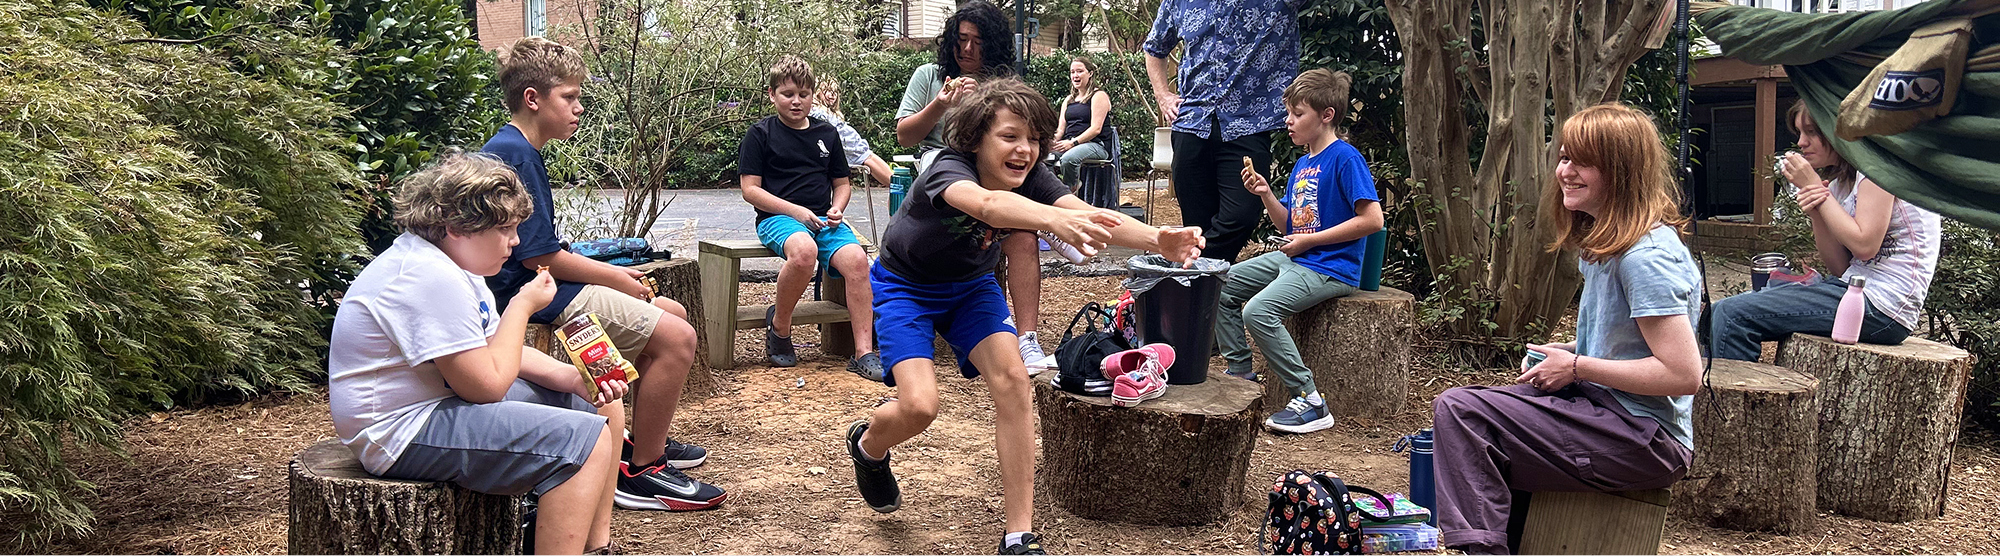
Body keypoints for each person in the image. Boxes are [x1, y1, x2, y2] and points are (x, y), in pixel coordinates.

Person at [848, 78, 1205, 555]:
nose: (1025, 149)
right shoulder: (948, 168)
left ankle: (1018, 535)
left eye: (1034, 138)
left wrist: (1158, 238)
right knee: (920, 407)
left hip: (972, 288)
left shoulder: (1032, 177)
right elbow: (988, 205)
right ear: (976, 140)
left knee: (1014, 381)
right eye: (1010, 136)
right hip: (906, 287)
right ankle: (869, 447)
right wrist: (1050, 218)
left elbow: (1091, 215)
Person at [1430, 103, 1703, 555]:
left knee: (1463, 412)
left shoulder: (1646, 257)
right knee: (1480, 416)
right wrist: (1572, 350)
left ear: (1621, 171)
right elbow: (1631, 339)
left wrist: (1577, 367)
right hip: (1611, 414)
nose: (1565, 172)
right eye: (1564, 157)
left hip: (1646, 439)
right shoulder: (1611, 242)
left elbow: (1682, 374)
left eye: (1583, 162)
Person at [329, 153, 626, 554]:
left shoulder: (457, 265)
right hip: (396, 430)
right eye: (504, 228)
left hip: (436, 403)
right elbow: (486, 387)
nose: (515, 241)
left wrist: (574, 378)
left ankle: (596, 546)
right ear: (455, 227)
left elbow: (495, 348)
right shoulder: (427, 276)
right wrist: (522, 306)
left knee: (600, 404)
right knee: (582, 441)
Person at [480, 36, 724, 511]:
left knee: (671, 312)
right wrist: (616, 278)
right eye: (569, 97)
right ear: (533, 98)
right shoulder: (517, 155)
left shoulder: (514, 147)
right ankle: (643, 472)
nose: (579, 108)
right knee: (678, 338)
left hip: (543, 285)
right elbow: (538, 257)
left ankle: (639, 441)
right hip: (531, 293)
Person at [893, 0, 1060, 372]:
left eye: (978, 42)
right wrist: (941, 105)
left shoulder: (1006, 88)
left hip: (996, 174)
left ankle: (1027, 339)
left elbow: (1023, 143)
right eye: (962, 39)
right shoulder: (929, 75)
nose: (967, 49)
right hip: (944, 167)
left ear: (994, 45)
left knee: (1023, 237)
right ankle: (1047, 220)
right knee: (953, 172)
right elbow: (905, 135)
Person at [1706, 101, 1941, 360]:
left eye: (1811, 132)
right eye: (1799, 133)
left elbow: (1865, 246)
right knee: (1717, 311)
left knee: (1732, 315)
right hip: (1853, 291)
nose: (1801, 142)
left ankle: (1732, 387)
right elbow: (1840, 267)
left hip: (1884, 308)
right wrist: (1817, 208)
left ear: (1839, 131)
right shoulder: (1841, 182)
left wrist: (1817, 191)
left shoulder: (1880, 168)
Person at [1220, 69, 1381, 434]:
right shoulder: (1303, 164)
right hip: (1298, 257)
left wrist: (1311, 241)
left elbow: (1372, 220)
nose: (1288, 121)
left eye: (1297, 113)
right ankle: (1241, 373)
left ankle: (1310, 400)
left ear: (1326, 115)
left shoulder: (1345, 158)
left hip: (1331, 267)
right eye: (1288, 113)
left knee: (1258, 311)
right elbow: (1290, 228)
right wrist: (1265, 194)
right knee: (1220, 282)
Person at [739, 56, 882, 379]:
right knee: (804, 252)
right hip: (778, 218)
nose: (796, 101)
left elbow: (842, 184)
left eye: (803, 94)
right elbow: (750, 190)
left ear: (812, 96)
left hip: (823, 219)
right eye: (788, 94)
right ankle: (780, 326)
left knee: (858, 260)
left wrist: (837, 208)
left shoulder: (826, 133)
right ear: (772, 94)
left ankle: (864, 352)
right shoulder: (760, 134)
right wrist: (796, 211)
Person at [1144, 0, 1304, 262]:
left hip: (1249, 124)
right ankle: (1203, 283)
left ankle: (1186, 265)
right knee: (1197, 224)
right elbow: (1154, 48)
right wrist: (1162, 95)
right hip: (1191, 124)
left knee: (1242, 216)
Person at [812, 77, 895, 189]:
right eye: (828, 91)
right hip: (844, 149)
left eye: (835, 92)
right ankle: (897, 186)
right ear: (818, 92)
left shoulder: (831, 113)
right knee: (868, 158)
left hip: (854, 147)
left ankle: (897, 184)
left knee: (869, 156)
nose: (832, 95)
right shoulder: (818, 112)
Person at [1053, 57, 1113, 189]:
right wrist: (1051, 142)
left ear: (1090, 73)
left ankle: (1070, 189)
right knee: (1043, 157)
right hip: (1069, 143)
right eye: (1072, 72)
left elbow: (1096, 129)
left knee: (1069, 159)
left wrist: (1073, 143)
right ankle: (1054, 189)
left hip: (1095, 144)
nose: (1075, 75)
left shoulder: (1098, 96)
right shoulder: (1068, 100)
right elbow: (1060, 130)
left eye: (1079, 71)